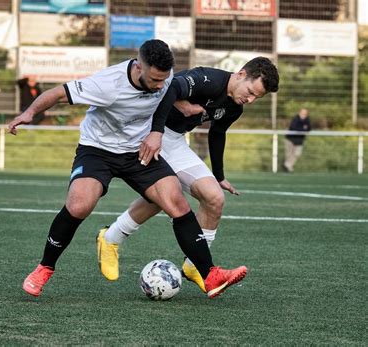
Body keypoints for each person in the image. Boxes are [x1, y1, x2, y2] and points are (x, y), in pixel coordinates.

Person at [8, 39, 247, 300]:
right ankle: (45, 267)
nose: (159, 85)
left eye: (163, 79)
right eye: (154, 79)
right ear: (138, 67)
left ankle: (210, 274)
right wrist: (29, 113)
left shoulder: (164, 79)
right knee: (79, 205)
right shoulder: (107, 84)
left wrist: (167, 121)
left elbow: (168, 94)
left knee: (176, 201)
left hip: (137, 151)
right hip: (98, 150)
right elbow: (56, 93)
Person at [98, 57, 279, 292]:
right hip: (146, 132)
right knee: (163, 196)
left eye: (258, 98)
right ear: (242, 74)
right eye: (251, 92)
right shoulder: (209, 80)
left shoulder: (236, 105)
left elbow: (218, 133)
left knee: (214, 198)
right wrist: (177, 109)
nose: (251, 100)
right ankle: (110, 239)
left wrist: (219, 175)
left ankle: (194, 265)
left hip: (174, 140)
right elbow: (169, 86)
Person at [283, 108, 311, 172]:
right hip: (290, 139)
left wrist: (302, 129)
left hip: (299, 141)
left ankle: (287, 165)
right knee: (289, 154)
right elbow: (294, 127)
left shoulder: (307, 120)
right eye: (302, 113)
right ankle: (288, 167)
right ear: (299, 113)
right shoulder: (295, 118)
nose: (303, 115)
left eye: (305, 114)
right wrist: (303, 128)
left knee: (297, 154)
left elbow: (309, 128)